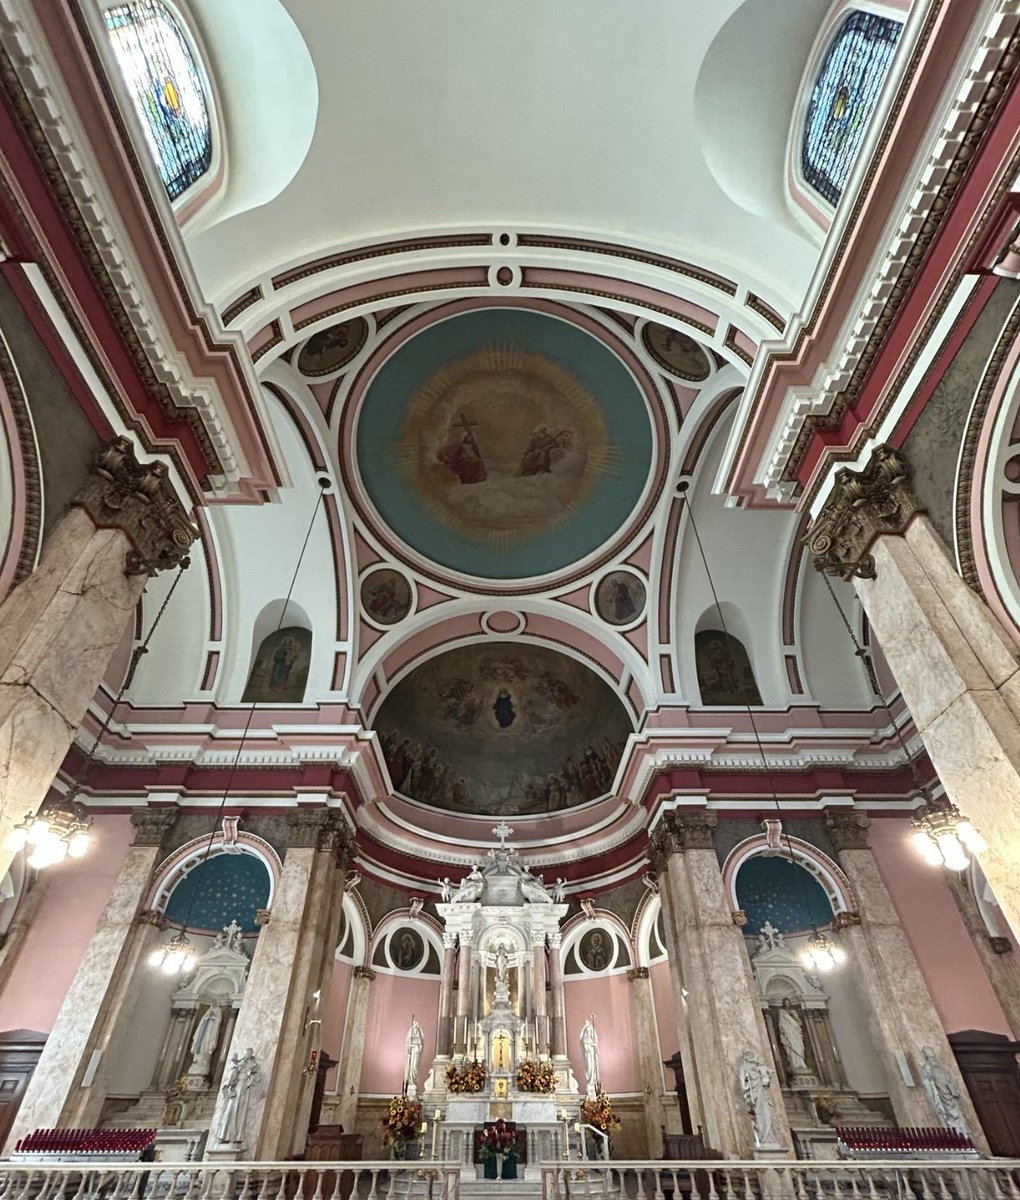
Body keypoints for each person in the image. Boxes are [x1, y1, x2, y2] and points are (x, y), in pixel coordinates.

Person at [919, 1045, 969, 1134]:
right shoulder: (926, 1070)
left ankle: (963, 1134)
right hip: (941, 1098)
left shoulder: (941, 1069)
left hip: (950, 1096)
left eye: (934, 1057)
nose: (933, 1060)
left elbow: (949, 1081)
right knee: (947, 1117)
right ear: (926, 1057)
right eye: (931, 1058)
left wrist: (953, 1089)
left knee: (958, 1116)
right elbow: (928, 1084)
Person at [738, 1050, 779, 1148]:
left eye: (752, 1055)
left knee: (767, 1114)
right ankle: (762, 1137)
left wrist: (766, 1078)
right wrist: (747, 1089)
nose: (751, 1057)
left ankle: (768, 1136)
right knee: (758, 1115)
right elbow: (743, 1083)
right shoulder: (744, 1067)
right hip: (754, 1095)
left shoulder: (760, 1068)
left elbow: (768, 1076)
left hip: (762, 1094)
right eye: (749, 1056)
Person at [187, 1003, 222, 1077]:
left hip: (210, 1032)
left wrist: (213, 1018)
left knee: (206, 1047)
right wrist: (207, 1017)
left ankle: (204, 1063)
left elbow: (218, 1020)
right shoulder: (208, 1011)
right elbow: (202, 1020)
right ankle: (196, 1061)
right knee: (199, 1047)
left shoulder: (218, 1011)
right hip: (202, 1033)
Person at [777, 1000, 809, 1074]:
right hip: (789, 1032)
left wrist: (793, 1015)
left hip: (795, 1032)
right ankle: (794, 1064)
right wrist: (784, 1030)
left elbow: (799, 1022)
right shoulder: (782, 1012)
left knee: (800, 1047)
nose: (787, 1004)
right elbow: (781, 1022)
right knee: (791, 1048)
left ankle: (801, 1064)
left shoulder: (793, 1011)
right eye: (786, 1003)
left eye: (788, 1003)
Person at [404, 1016, 425, 1097]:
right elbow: (408, 1047)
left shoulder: (419, 1040)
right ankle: (411, 1081)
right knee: (411, 1067)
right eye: (414, 1030)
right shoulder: (411, 1038)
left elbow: (420, 1047)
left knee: (415, 1067)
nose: (415, 1032)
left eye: (416, 1030)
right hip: (412, 1053)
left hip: (416, 1053)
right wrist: (411, 1046)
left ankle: (413, 1080)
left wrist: (415, 1046)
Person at [580, 1016, 599, 1097]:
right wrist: (592, 1045)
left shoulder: (592, 1039)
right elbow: (586, 1048)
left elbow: (596, 1046)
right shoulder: (585, 1039)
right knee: (589, 1068)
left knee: (593, 1069)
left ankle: (592, 1081)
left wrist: (595, 1047)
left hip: (592, 1056)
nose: (589, 1032)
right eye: (587, 1030)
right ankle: (590, 1080)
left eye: (590, 1030)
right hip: (588, 1056)